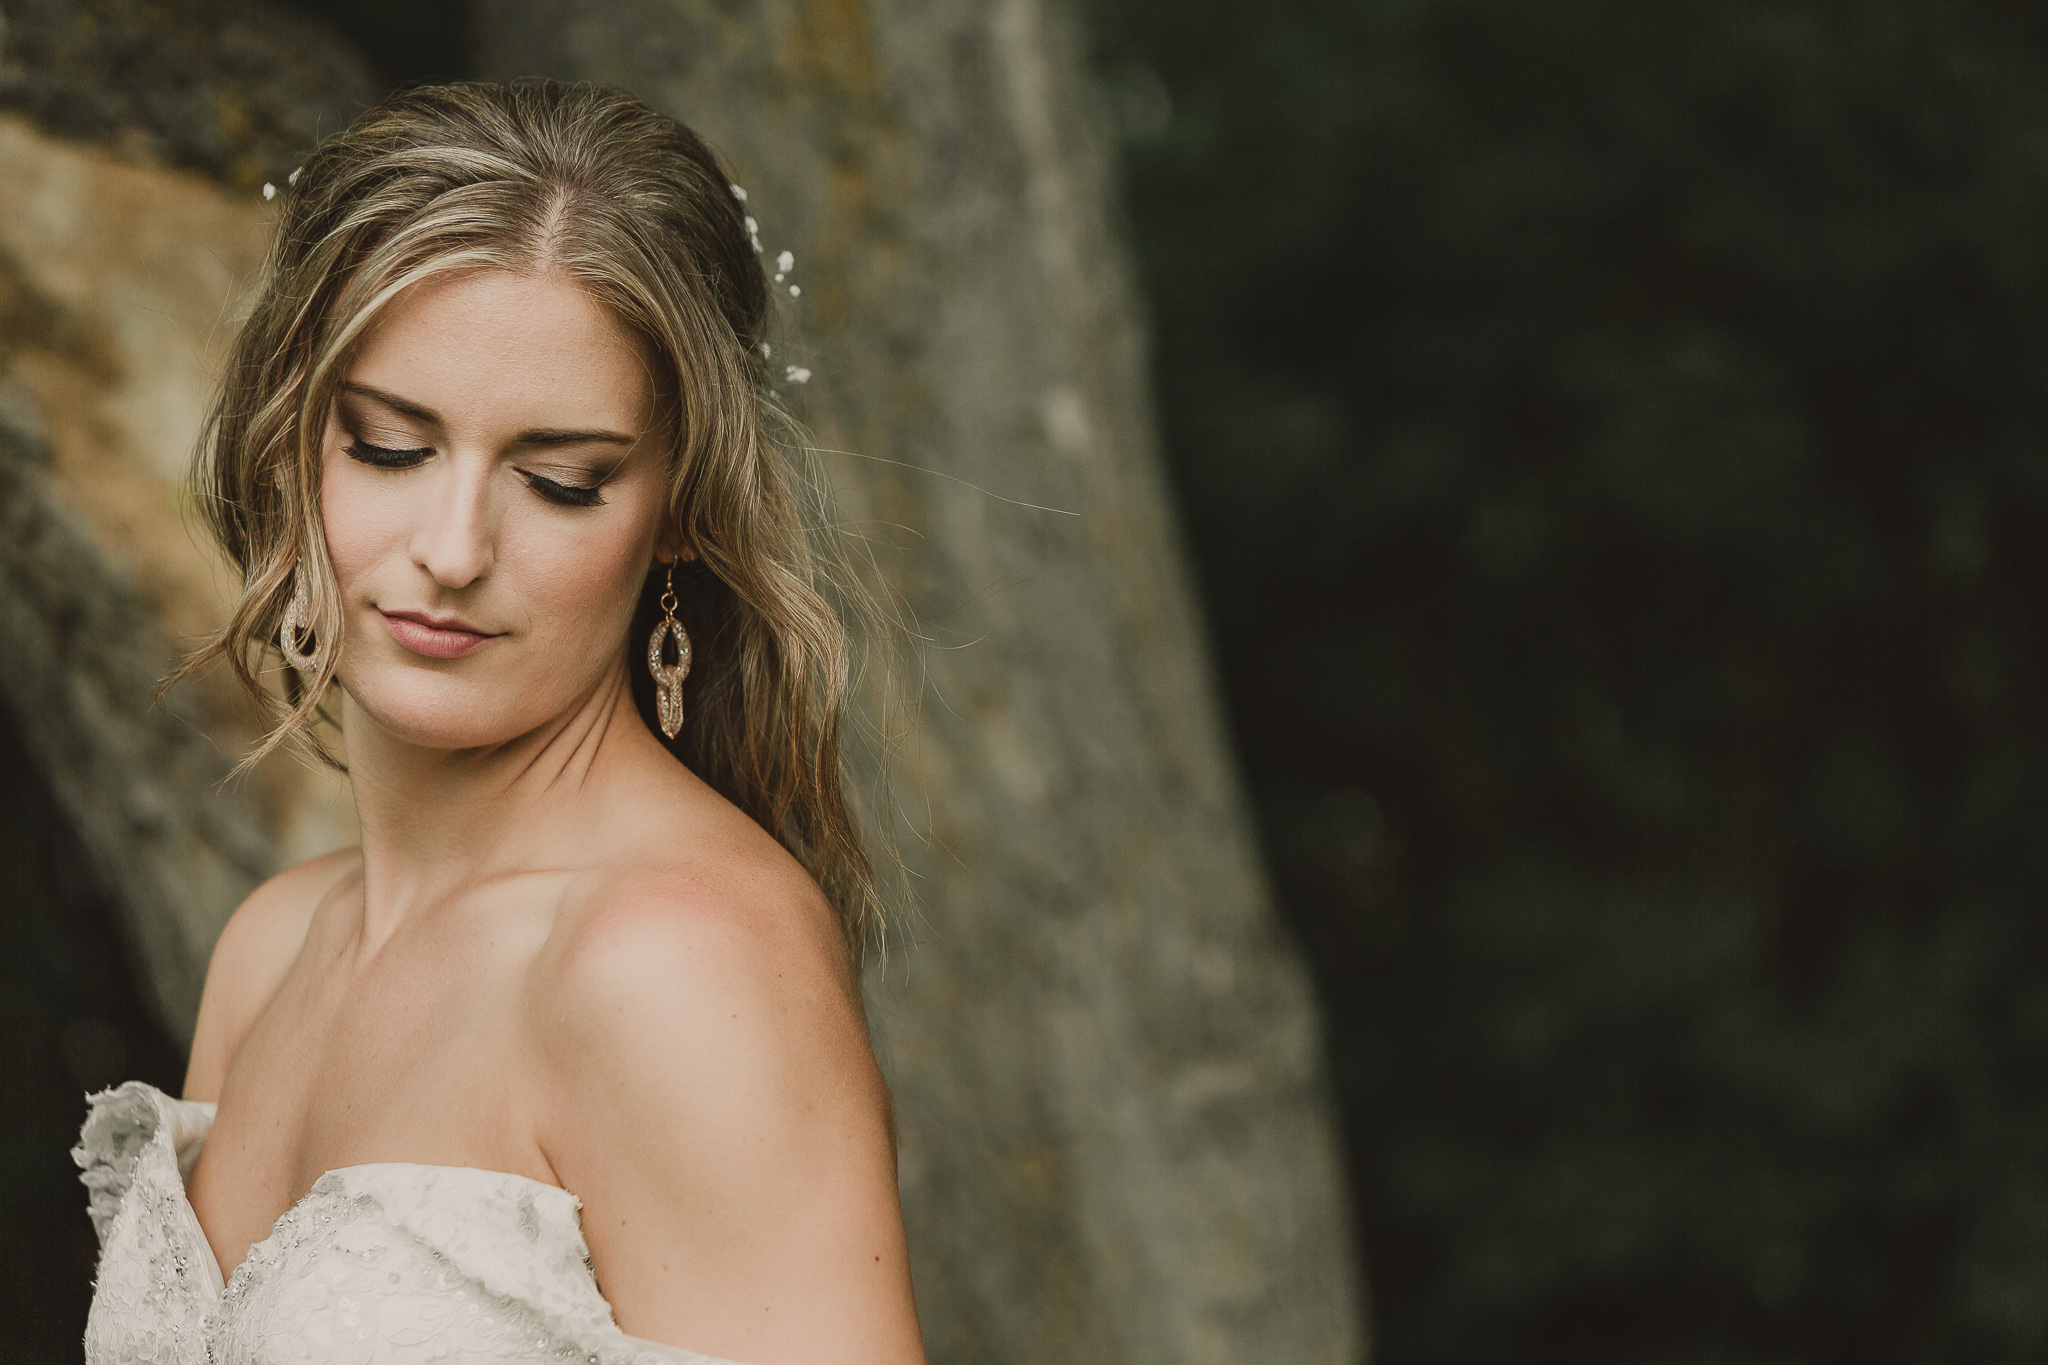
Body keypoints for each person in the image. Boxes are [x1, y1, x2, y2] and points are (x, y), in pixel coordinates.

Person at [72, 80, 926, 1365]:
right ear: (286, 441)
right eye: (386, 447)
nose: (454, 549)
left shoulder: (674, 967)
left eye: (559, 481)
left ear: (678, 504)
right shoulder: (272, 946)